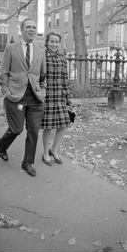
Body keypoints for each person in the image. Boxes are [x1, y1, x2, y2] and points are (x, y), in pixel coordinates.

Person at [0, 18, 47, 177]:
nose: (32, 30)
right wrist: (6, 91)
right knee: (16, 129)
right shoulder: (11, 48)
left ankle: (27, 162)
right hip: (15, 95)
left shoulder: (41, 51)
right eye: (28, 27)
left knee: (33, 130)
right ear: (22, 30)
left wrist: (43, 90)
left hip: (35, 97)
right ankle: (2, 144)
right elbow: (3, 73)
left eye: (34, 27)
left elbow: (43, 75)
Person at [40, 30, 71, 166]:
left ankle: (54, 149)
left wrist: (67, 97)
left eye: (56, 42)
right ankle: (45, 152)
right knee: (48, 127)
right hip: (47, 96)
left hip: (60, 96)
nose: (54, 44)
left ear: (59, 43)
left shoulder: (62, 58)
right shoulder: (42, 56)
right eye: (51, 41)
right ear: (47, 42)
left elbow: (65, 78)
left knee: (64, 124)